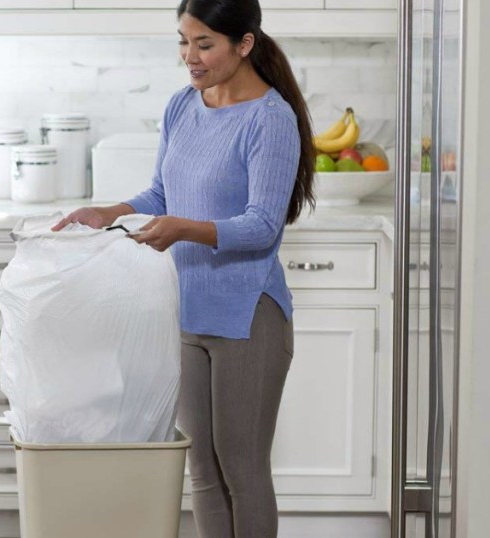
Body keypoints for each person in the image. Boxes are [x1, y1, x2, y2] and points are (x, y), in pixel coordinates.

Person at [53, 0, 315, 535]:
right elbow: (162, 191)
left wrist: (183, 228)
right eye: (182, 41)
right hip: (186, 306)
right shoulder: (182, 105)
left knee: (242, 470)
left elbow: (263, 225)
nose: (189, 58)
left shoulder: (271, 119)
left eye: (204, 44)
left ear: (244, 44)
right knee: (202, 470)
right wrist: (110, 211)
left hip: (247, 316)